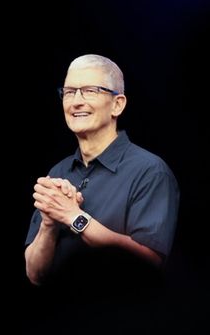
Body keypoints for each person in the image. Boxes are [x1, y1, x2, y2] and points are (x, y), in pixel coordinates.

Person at [24, 54, 180, 301]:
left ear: (117, 104)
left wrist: (74, 216)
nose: (76, 102)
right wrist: (49, 224)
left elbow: (149, 263)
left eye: (90, 91)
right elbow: (35, 275)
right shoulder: (58, 173)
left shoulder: (150, 171)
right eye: (69, 92)